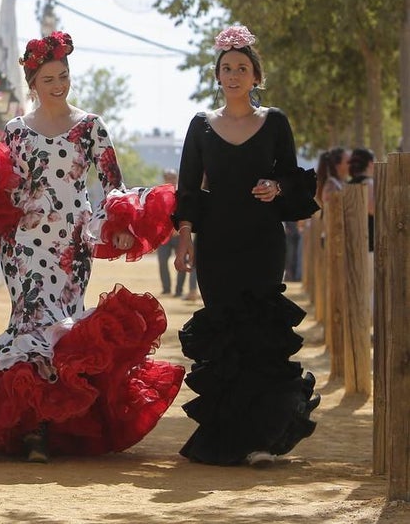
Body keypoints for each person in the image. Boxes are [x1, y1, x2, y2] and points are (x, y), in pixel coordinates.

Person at [0, 31, 184, 462]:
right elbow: (3, 183)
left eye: (63, 76)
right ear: (32, 83)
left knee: (61, 323)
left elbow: (112, 184)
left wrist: (119, 226)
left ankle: (40, 423)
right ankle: (36, 430)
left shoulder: (90, 126)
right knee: (30, 321)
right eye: (48, 79)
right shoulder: (15, 131)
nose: (58, 84)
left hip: (70, 245)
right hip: (22, 245)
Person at [173, 24, 320, 467]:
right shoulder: (200, 126)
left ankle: (263, 435)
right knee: (225, 334)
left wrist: (276, 186)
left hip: (262, 242)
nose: (233, 74)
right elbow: (187, 189)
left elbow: (292, 177)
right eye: (226, 68)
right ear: (217, 76)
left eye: (241, 68)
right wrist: (185, 238)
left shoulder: (274, 121)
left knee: (259, 333)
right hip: (216, 244)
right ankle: (226, 437)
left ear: (256, 76)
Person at [347, 147, 375, 253]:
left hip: (352, 239)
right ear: (370, 163)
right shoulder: (369, 183)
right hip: (368, 239)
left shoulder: (347, 185)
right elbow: (371, 208)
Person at [155, 169, 179, 295]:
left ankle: (179, 291)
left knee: (182, 262)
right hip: (165, 235)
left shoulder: (182, 193)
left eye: (172, 177)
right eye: (167, 177)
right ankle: (166, 288)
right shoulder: (159, 195)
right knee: (162, 261)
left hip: (180, 235)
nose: (170, 180)